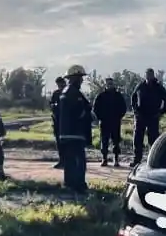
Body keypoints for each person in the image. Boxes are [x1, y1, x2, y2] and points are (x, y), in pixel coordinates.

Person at [56, 64, 93, 194]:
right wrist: (86, 113)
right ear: (73, 78)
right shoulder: (72, 93)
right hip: (74, 133)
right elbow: (79, 112)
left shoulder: (67, 92)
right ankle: (78, 186)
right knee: (77, 161)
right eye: (79, 78)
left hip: (68, 133)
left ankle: (70, 184)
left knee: (71, 161)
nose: (82, 80)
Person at [130, 68, 166, 166]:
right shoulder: (140, 86)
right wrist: (135, 111)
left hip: (153, 116)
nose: (149, 77)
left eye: (150, 75)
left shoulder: (158, 87)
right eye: (147, 75)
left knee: (153, 139)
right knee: (138, 138)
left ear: (153, 76)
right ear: (145, 76)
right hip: (140, 116)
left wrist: (161, 112)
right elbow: (133, 98)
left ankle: (152, 161)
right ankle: (137, 160)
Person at [92, 78, 127, 167]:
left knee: (116, 141)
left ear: (113, 84)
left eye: (111, 83)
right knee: (104, 141)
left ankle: (116, 159)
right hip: (104, 122)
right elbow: (95, 108)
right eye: (108, 84)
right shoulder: (101, 96)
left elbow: (123, 108)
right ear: (106, 85)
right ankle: (104, 159)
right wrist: (100, 118)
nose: (110, 85)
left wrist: (119, 116)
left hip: (115, 122)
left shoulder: (118, 96)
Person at [49, 75, 67, 169]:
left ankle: (68, 161)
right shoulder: (56, 93)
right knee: (59, 142)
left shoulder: (68, 92)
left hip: (67, 122)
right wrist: (53, 106)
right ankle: (62, 160)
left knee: (67, 142)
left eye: (61, 83)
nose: (60, 85)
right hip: (57, 121)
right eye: (58, 84)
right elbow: (52, 105)